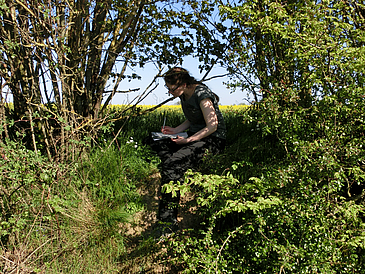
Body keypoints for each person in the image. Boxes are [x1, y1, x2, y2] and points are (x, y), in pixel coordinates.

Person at [144, 67, 226, 235]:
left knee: (172, 165)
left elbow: (212, 126)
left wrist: (188, 140)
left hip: (212, 139)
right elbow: (192, 119)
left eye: (171, 88)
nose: (169, 92)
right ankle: (180, 163)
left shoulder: (202, 94)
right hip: (194, 135)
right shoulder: (183, 95)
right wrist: (174, 130)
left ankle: (168, 222)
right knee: (152, 140)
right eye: (167, 88)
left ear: (182, 83)